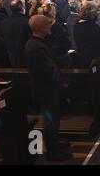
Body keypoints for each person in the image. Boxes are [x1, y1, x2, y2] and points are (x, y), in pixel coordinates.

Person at [25, 15, 72, 161]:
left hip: (46, 89)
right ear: (40, 28)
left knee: (53, 120)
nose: (50, 26)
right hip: (46, 90)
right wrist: (63, 82)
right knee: (51, 122)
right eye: (47, 24)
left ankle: (55, 143)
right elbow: (49, 69)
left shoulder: (37, 43)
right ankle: (53, 152)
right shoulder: (36, 47)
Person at [74, 2, 100, 68]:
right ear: (93, 14)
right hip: (93, 60)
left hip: (81, 58)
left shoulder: (77, 25)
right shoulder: (92, 26)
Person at [0, 0, 30, 67]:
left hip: (11, 53)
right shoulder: (26, 21)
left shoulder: (3, 22)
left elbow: (2, 37)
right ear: (22, 8)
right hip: (25, 53)